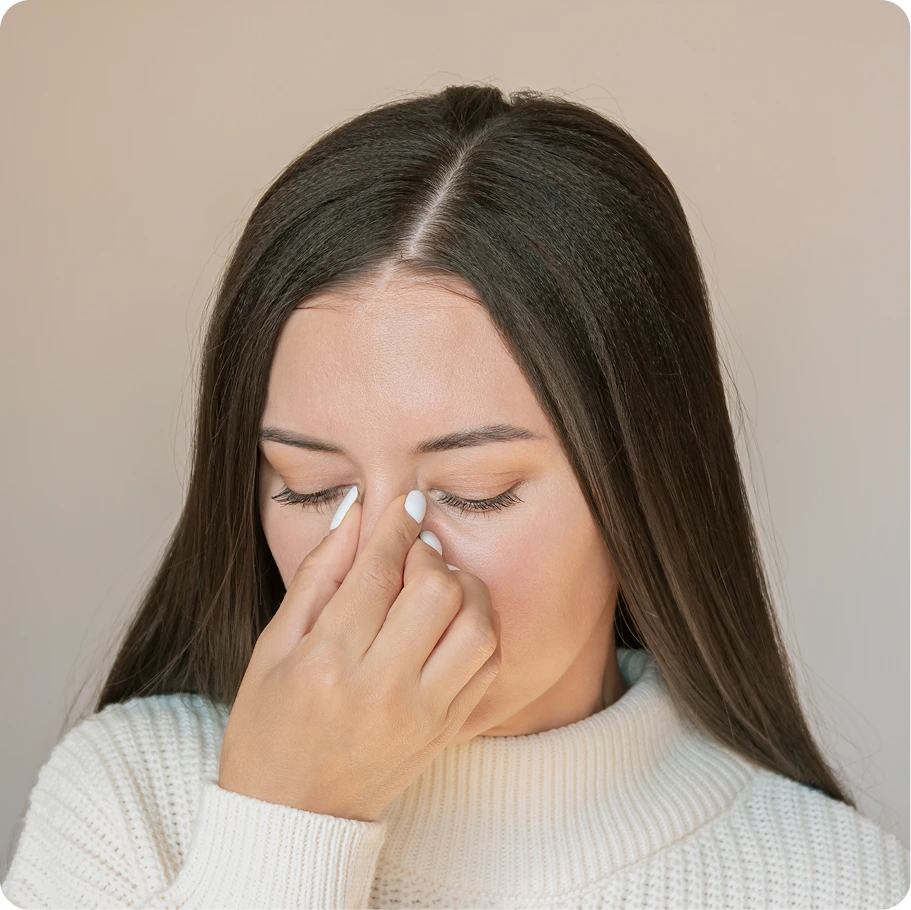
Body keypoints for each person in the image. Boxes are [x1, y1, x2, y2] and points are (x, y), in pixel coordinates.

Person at [2, 83, 908, 910]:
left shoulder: (829, 882)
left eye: (477, 494)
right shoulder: (127, 803)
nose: (384, 569)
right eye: (311, 488)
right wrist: (285, 821)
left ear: (640, 490)